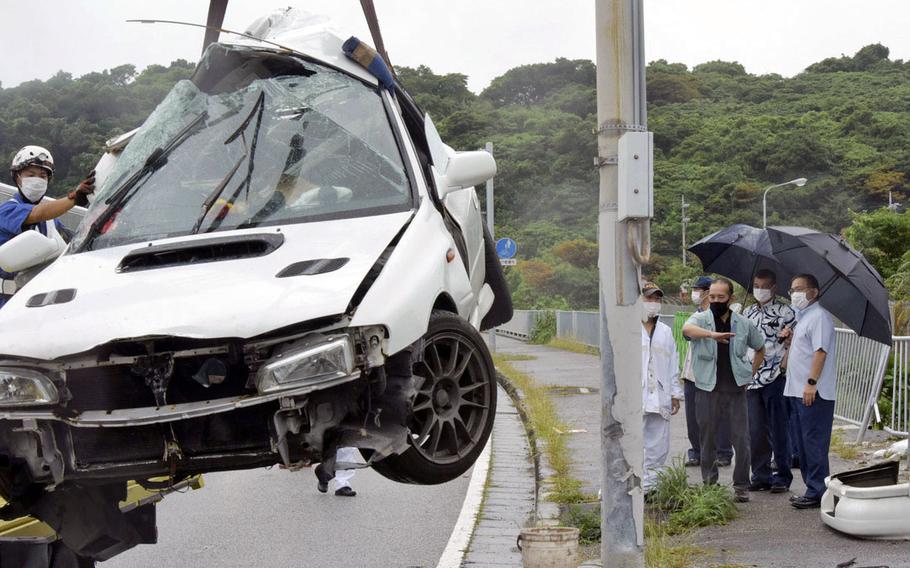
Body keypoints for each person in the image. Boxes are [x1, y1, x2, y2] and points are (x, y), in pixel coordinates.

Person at [682, 278, 765, 502]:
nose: (716, 300)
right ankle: (710, 484)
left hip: (736, 389)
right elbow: (686, 329)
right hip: (707, 388)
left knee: (741, 439)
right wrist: (712, 335)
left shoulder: (743, 323)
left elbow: (760, 348)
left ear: (731, 298)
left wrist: (750, 373)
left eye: (721, 297)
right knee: (707, 438)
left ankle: (741, 486)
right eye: (712, 296)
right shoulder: (700, 319)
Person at [1, 146, 94, 304]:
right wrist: (74, 198)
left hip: (32, 299)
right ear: (17, 178)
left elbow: (76, 241)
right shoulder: (7, 211)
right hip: (5, 300)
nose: (37, 179)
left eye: (43, 176)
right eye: (31, 175)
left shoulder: (51, 222)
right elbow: (37, 213)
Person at [781, 273, 837, 510]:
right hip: (795, 390)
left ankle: (818, 491)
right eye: (792, 289)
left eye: (799, 289)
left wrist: (811, 382)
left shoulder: (820, 317)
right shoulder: (802, 318)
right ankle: (811, 488)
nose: (794, 294)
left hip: (813, 392)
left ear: (814, 292)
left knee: (813, 442)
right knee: (801, 443)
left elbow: (820, 352)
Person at [743, 269, 795, 494]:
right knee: (755, 429)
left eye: (764, 286)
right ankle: (760, 475)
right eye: (756, 285)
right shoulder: (746, 312)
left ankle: (782, 475)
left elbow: (794, 342)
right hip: (751, 378)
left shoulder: (786, 312)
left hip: (775, 377)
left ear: (774, 288)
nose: (760, 290)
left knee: (778, 428)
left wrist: (787, 341)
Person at [681, 276, 734, 467]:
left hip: (716, 374)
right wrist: (711, 334)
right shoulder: (697, 316)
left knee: (720, 414)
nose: (696, 293)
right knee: (694, 416)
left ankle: (723, 452)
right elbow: (687, 331)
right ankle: (697, 451)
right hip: (693, 373)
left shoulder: (728, 316)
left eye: (698, 289)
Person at [640, 282, 683, 494]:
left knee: (658, 444)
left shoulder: (665, 331)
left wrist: (675, 394)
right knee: (632, 441)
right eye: (649, 299)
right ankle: (630, 485)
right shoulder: (628, 328)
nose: (653, 303)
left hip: (660, 394)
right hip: (635, 395)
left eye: (657, 300)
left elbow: (673, 363)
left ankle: (652, 488)